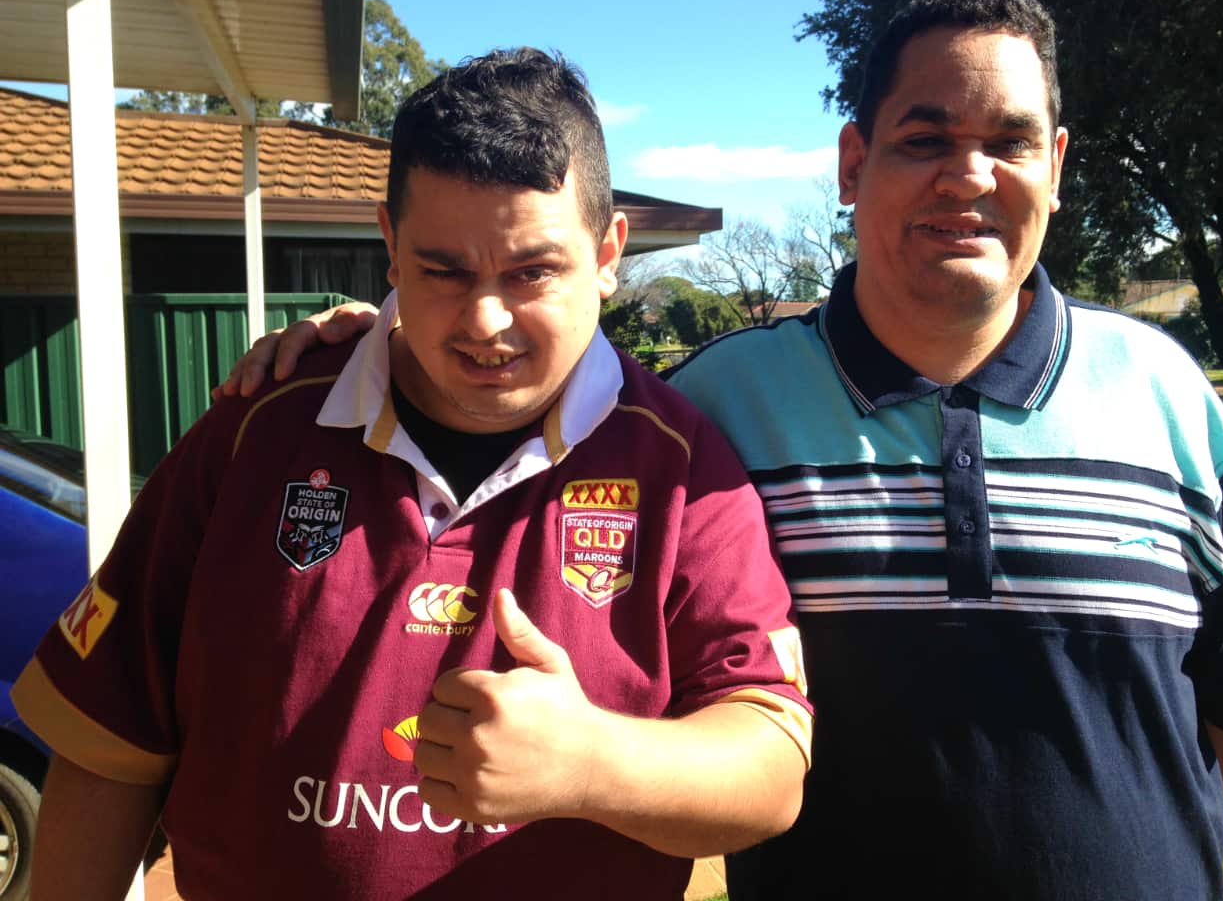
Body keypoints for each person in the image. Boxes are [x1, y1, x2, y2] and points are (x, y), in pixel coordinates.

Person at [217, 0, 1223, 900]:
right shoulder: (714, 411)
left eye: (1006, 141)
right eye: (923, 139)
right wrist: (374, 338)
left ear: (1053, 165)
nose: (967, 175)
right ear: (852, 162)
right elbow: (520, 412)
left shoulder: (1169, 398)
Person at [12, 48, 812, 901]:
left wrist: (591, 763)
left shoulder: (681, 467)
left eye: (532, 271)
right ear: (389, 245)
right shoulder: (257, 427)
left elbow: (768, 766)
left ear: (610, 251)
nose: (485, 319)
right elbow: (107, 743)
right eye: (444, 270)